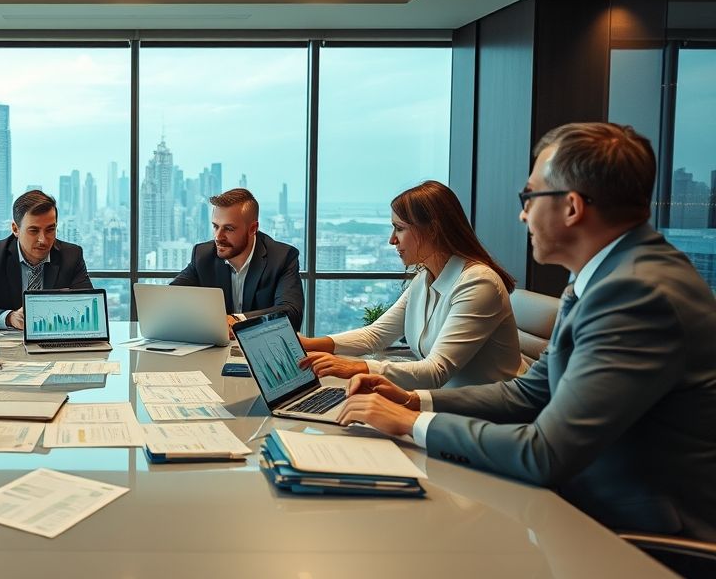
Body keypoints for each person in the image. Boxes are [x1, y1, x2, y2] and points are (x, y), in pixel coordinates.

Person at [335, 123, 716, 540]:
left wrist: (410, 422)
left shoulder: (637, 295)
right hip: (584, 507)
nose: (522, 213)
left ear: (572, 207)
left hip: (638, 537)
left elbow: (545, 453)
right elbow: (529, 393)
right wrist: (415, 399)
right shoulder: (601, 280)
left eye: (530, 197)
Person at [297, 181, 525, 389]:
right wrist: (310, 343)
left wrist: (357, 367)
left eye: (399, 228)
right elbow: (376, 335)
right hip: (448, 403)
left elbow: (436, 371)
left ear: (433, 229)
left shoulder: (478, 283)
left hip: (489, 414)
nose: (392, 239)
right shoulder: (424, 278)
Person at [171, 188, 303, 330]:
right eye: (215, 227)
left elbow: (291, 314)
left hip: (262, 348)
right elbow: (171, 297)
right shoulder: (203, 255)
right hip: (216, 348)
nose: (218, 237)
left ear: (253, 229)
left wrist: (237, 320)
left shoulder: (282, 258)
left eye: (228, 229)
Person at [0, 190, 93, 329]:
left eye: (50, 229)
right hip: (8, 344)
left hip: (56, 341)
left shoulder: (72, 255)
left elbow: (88, 307)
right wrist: (10, 317)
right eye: (33, 230)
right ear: (15, 229)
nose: (43, 240)